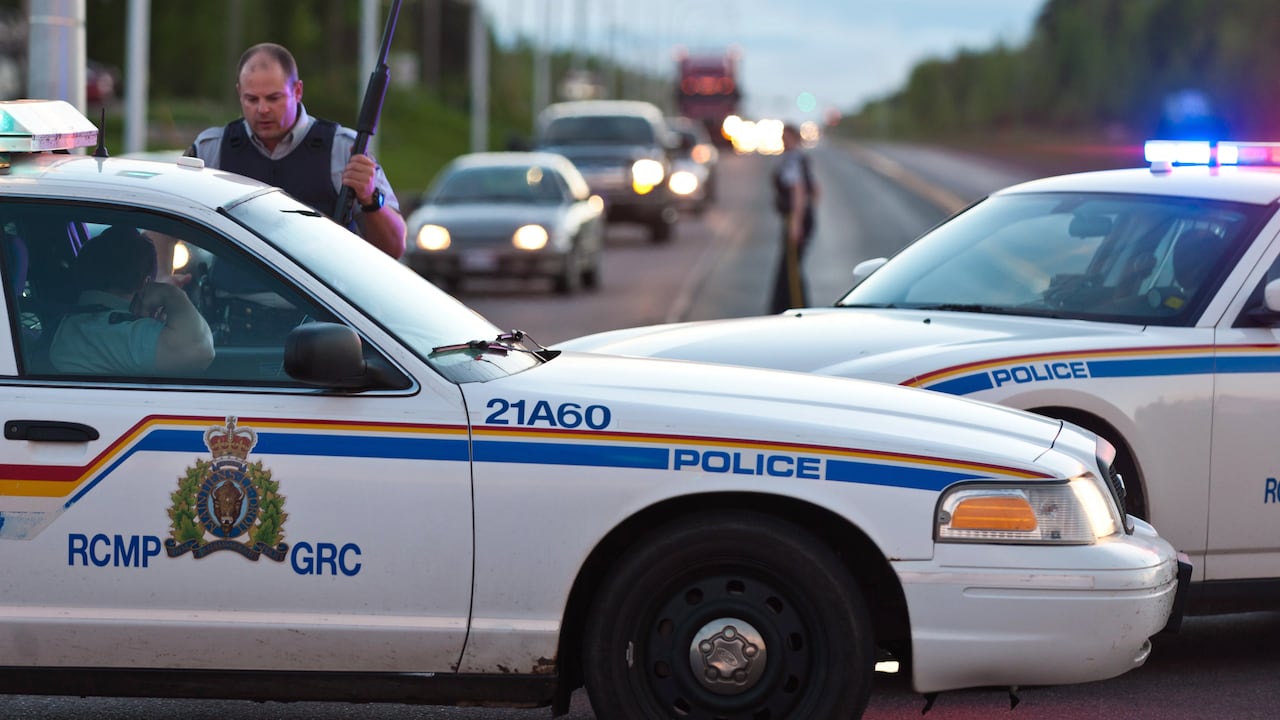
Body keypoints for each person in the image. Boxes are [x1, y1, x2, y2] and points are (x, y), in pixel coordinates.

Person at [186, 42, 406, 260]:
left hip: (318, 293)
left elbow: (394, 247)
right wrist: (165, 279)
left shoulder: (342, 150)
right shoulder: (210, 150)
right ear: (239, 93)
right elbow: (169, 218)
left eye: (274, 98)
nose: (262, 109)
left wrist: (370, 199)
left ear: (297, 91)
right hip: (228, 293)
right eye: (251, 99)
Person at [49, 226, 215, 376]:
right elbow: (200, 350)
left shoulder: (80, 325)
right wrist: (172, 294)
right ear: (146, 284)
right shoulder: (113, 332)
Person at [770, 123, 819, 313]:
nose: (784, 140)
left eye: (787, 137)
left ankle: (796, 308)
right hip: (800, 217)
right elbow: (815, 190)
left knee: (790, 267)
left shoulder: (792, 160)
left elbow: (798, 190)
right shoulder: (800, 158)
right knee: (791, 265)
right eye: (783, 136)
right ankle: (793, 306)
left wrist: (796, 222)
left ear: (795, 138)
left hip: (795, 218)